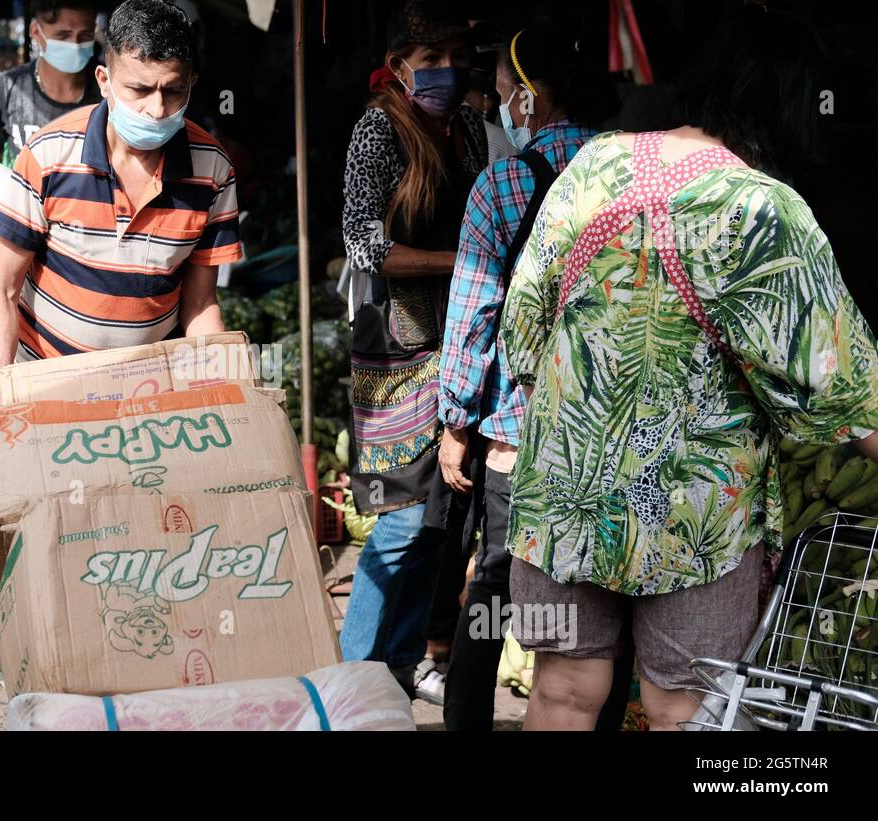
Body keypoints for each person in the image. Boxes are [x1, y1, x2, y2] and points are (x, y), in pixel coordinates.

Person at [500, 10, 878, 731]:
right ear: (790, 105)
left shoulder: (595, 165)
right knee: (683, 708)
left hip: (564, 489)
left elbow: (522, 331)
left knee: (562, 692)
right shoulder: (762, 208)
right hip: (694, 515)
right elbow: (850, 386)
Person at [434, 25, 638, 731]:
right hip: (618, 432)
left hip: (521, 436)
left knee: (492, 585)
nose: (497, 107)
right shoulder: (634, 177)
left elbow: (473, 309)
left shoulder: (505, 182)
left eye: (500, 93)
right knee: (608, 594)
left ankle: (465, 725)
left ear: (530, 97)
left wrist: (455, 421)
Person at [0, 0, 242, 432]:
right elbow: (2, 290)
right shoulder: (49, 153)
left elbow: (200, 302)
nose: (156, 109)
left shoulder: (213, 169)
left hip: (150, 395)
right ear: (105, 80)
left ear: (192, 82)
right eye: (139, 89)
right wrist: (1, 389)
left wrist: (219, 387)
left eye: (173, 91)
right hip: (46, 387)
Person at [338, 0, 488, 700]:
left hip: (458, 335)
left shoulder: (468, 131)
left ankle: (398, 659)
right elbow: (364, 243)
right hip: (393, 344)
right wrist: (456, 263)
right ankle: (354, 673)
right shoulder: (377, 130)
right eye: (431, 61)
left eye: (457, 58)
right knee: (399, 515)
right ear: (399, 67)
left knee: (440, 515)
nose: (447, 72)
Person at [0, 0, 102, 167]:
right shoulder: (6, 87)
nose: (75, 45)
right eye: (63, 35)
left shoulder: (107, 88)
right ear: (36, 32)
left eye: (85, 35)